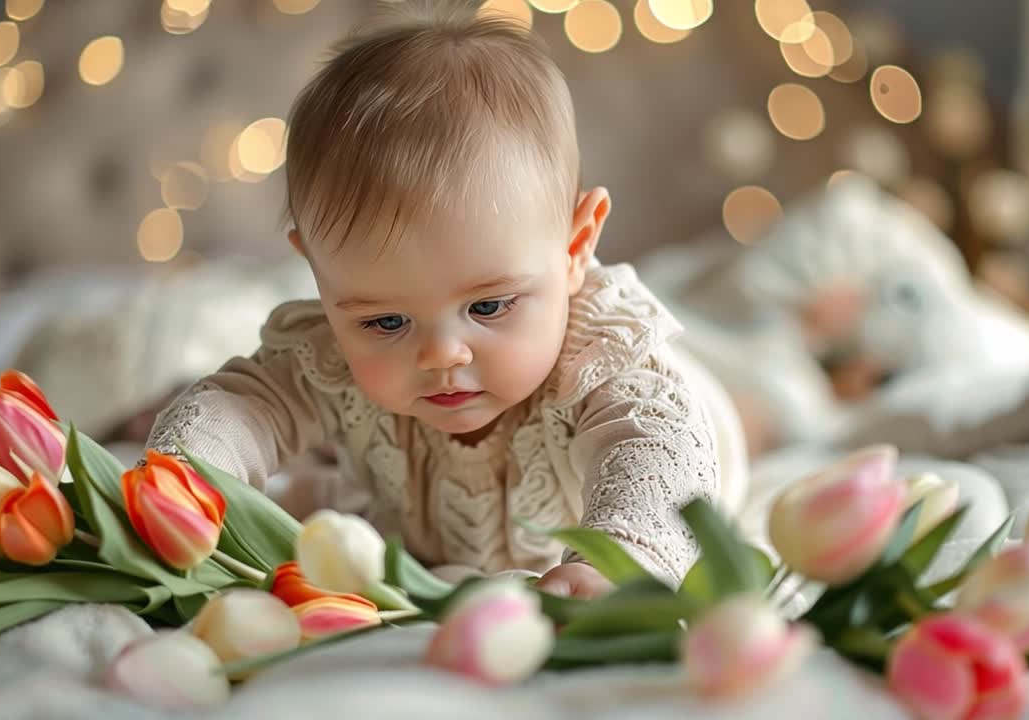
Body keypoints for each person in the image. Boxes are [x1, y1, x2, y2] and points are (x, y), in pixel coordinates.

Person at [144, 0, 748, 599]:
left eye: (488, 307)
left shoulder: (606, 362)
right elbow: (248, 404)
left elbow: (658, 455)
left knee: (742, 410)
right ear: (319, 274)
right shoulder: (329, 356)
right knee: (294, 455)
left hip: (699, 425)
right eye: (386, 320)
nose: (441, 354)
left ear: (575, 246)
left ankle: (772, 392)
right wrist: (183, 477)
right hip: (427, 517)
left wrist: (615, 563)